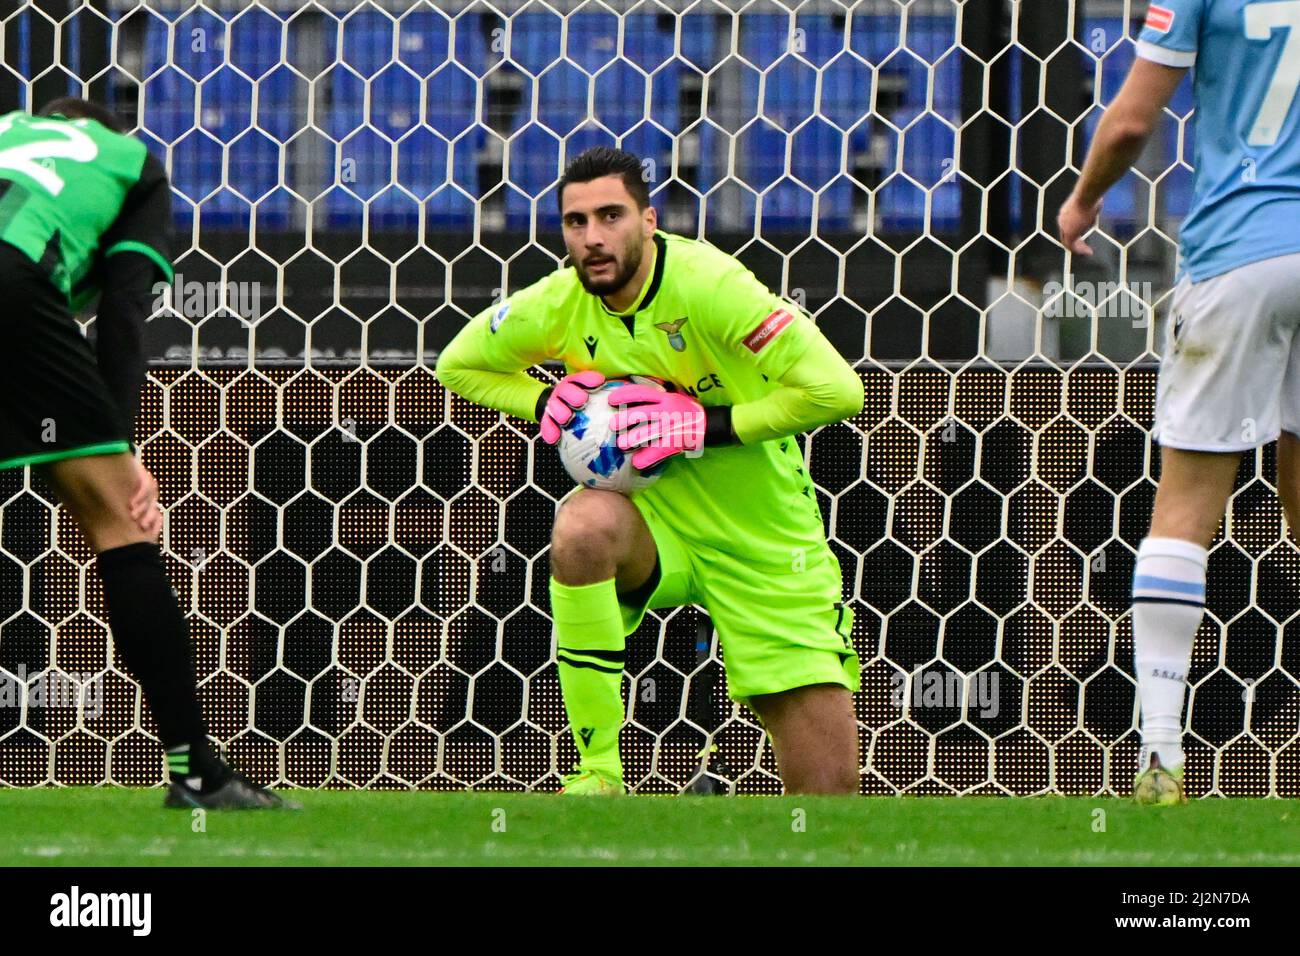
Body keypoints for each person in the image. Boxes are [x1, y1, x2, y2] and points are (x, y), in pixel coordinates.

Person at [437, 146, 865, 794]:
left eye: (610, 216)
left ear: (649, 221)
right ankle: (599, 771)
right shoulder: (556, 304)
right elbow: (457, 363)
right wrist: (539, 398)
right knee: (580, 528)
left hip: (761, 538)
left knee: (829, 798)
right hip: (652, 525)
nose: (593, 237)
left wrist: (702, 426)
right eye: (576, 222)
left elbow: (838, 391)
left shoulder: (711, 287)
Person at [0, 97, 289, 809]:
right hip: (12, 281)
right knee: (119, 521)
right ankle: (196, 772)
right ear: (101, 128)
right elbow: (123, 314)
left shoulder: (8, 128)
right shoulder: (132, 165)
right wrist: (122, 448)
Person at [1059, 1, 1300, 804]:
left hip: (1244, 249)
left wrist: (1084, 200)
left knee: (1187, 504)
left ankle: (1160, 755)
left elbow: (1131, 123)